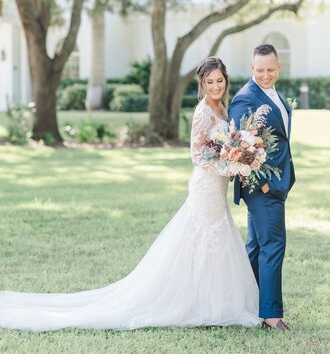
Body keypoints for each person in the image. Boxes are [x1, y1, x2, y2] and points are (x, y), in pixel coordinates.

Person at [0, 56, 260, 331]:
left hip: (216, 186)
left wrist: (235, 159)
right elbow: (197, 155)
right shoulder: (203, 111)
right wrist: (229, 165)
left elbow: (219, 146)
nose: (216, 86)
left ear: (226, 81)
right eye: (210, 82)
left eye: (219, 81)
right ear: (202, 84)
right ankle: (201, 304)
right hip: (205, 185)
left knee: (215, 238)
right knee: (205, 238)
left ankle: (213, 300)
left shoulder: (222, 108)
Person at [229, 44, 295, 331]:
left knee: (256, 246)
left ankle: (245, 303)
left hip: (276, 181)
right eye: (259, 70)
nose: (265, 75)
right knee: (273, 245)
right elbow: (237, 148)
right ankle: (270, 315)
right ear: (251, 68)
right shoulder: (245, 99)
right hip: (262, 187)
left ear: (278, 67)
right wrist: (265, 184)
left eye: (270, 70)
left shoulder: (275, 95)